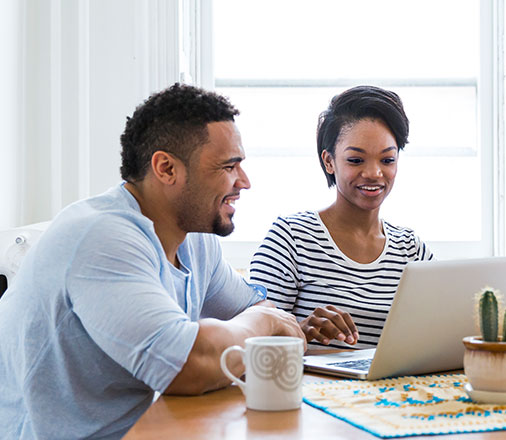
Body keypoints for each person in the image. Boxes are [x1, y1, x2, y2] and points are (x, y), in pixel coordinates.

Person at [0, 84, 306, 439]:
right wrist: (267, 324)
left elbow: (252, 310)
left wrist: (289, 325)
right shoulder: (102, 237)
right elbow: (187, 367)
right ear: (166, 168)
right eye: (228, 166)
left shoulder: (193, 239)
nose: (244, 182)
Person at [249, 85, 433, 350]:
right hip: (313, 390)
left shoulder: (411, 250)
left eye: (388, 160)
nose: (374, 173)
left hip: (394, 391)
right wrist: (301, 332)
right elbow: (252, 342)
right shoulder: (291, 238)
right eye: (356, 160)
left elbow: (440, 330)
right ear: (329, 162)